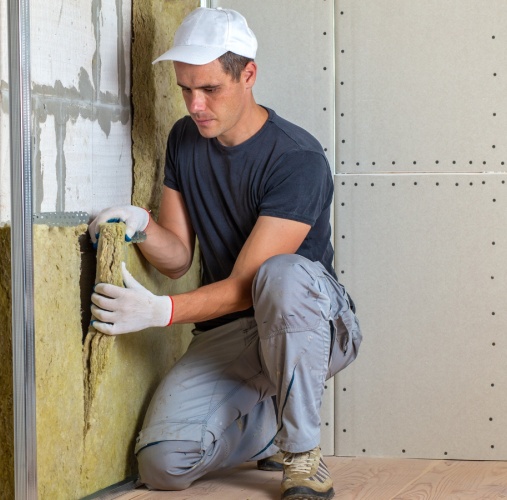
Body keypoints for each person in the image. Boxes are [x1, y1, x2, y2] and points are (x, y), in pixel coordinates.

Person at [88, 7, 362, 500]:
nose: (195, 104)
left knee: (279, 276)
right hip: (234, 328)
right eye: (185, 89)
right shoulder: (184, 140)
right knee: (163, 465)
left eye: (210, 89)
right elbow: (177, 258)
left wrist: (160, 310)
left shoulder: (297, 159)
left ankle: (301, 456)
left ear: (249, 75)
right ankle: (268, 427)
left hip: (311, 319)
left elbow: (246, 286)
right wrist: (142, 226)